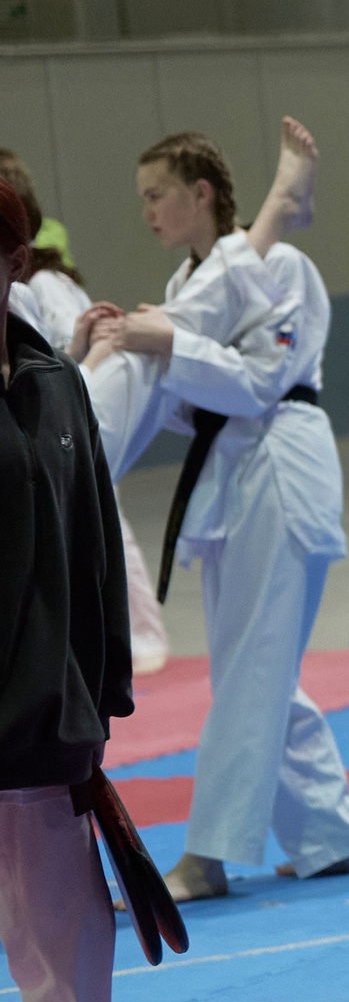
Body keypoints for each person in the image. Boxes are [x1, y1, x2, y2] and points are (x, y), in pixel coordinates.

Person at [77, 121, 349, 901]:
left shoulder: (283, 265)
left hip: (280, 463)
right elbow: (192, 403)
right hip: (233, 476)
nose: (146, 211)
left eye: (157, 195)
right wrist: (134, 348)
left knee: (251, 670)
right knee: (257, 667)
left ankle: (205, 858)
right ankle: (335, 835)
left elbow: (257, 383)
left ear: (201, 193)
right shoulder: (187, 291)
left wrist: (166, 345)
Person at [0, 177, 199, 1002]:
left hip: (37, 731)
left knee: (71, 950)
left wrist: (100, 699)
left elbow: (87, 556)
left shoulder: (51, 389)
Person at [0, 153, 168, 673]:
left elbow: (46, 362)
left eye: (155, 196)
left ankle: (142, 638)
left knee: (94, 523)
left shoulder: (42, 292)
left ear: (17, 260)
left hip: (61, 406)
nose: (148, 211)